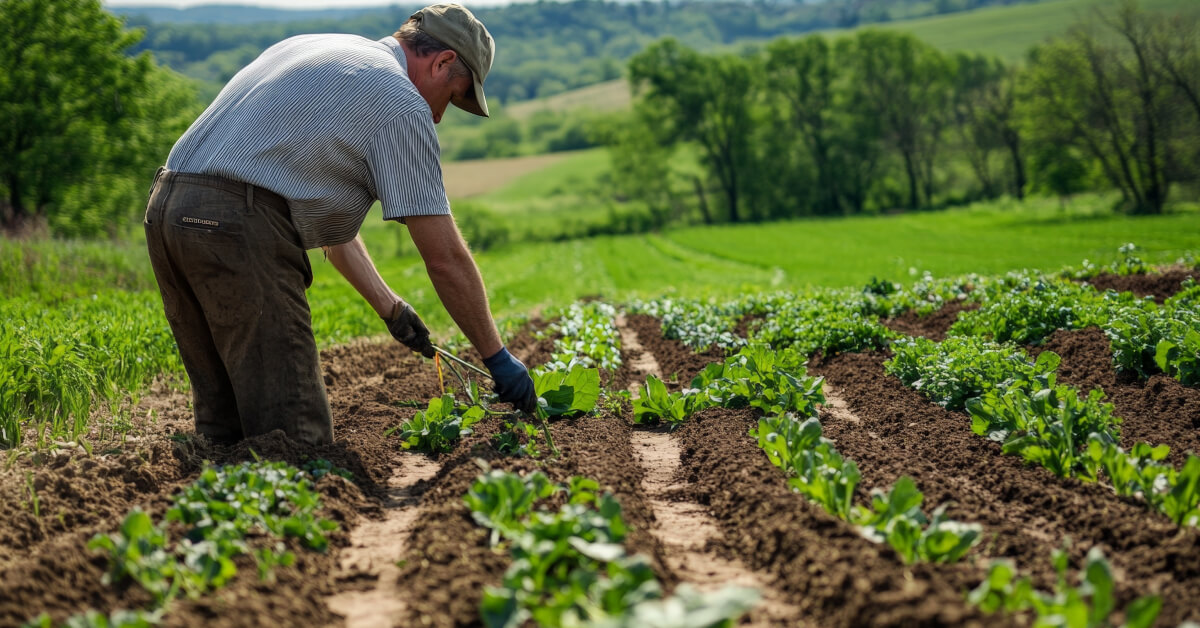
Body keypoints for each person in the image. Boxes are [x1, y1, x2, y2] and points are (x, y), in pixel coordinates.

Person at [143, 3, 535, 446]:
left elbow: (331, 231)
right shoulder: (399, 103)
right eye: (453, 95)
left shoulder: (320, 48)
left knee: (224, 428)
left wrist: (391, 308)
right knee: (293, 438)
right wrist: (496, 356)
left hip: (167, 211)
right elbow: (444, 258)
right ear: (443, 62)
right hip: (236, 227)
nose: (442, 115)